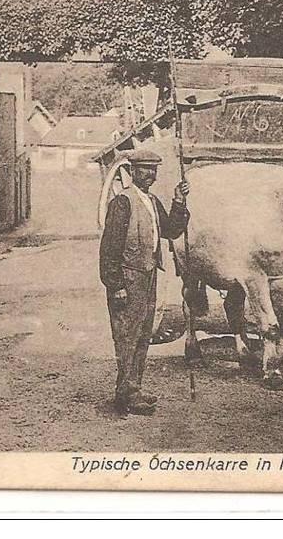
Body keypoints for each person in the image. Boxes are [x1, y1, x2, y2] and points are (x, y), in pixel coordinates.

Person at [99, 148, 190, 416]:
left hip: (147, 276)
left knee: (142, 335)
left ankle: (132, 388)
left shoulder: (151, 201)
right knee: (127, 336)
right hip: (128, 279)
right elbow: (109, 249)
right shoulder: (122, 203)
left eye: (153, 170)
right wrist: (115, 286)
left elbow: (172, 230)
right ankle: (126, 393)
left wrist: (179, 202)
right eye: (144, 169)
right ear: (132, 172)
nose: (149, 175)